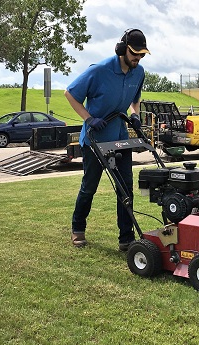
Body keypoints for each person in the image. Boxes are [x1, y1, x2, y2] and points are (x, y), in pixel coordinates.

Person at [64, 29, 150, 251]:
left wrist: (135, 115)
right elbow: (70, 94)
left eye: (141, 55)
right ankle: (77, 229)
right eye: (134, 54)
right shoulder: (99, 70)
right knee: (89, 187)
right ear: (122, 49)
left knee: (125, 189)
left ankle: (126, 239)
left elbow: (136, 98)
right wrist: (89, 118)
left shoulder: (138, 72)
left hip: (120, 138)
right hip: (95, 139)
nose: (137, 59)